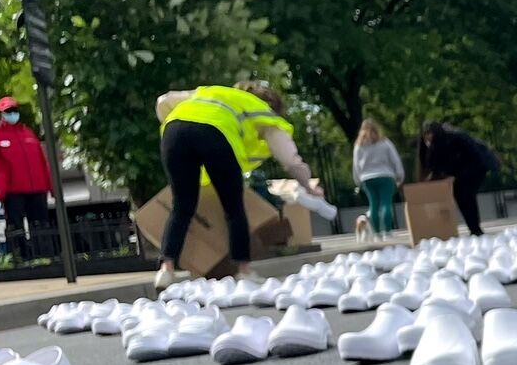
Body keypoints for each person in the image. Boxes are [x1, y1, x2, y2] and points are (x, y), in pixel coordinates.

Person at [152, 82, 322, 289]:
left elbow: (163, 100)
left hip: (173, 131)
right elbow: (290, 159)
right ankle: (244, 270)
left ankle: (166, 269)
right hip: (214, 136)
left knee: (182, 205)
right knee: (233, 206)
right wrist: (309, 186)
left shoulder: (213, 92)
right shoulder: (259, 110)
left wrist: (181, 124)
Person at [0, 96, 54, 261]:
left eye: (14, 110)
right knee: (16, 227)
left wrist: (50, 186)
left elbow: (42, 162)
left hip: (37, 188)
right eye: (8, 111)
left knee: (41, 225)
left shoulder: (27, 132)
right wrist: (2, 191)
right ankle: (21, 258)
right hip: (14, 191)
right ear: (1, 113)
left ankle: (45, 257)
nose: (12, 114)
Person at [418, 120, 499, 236]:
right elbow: (432, 165)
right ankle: (473, 228)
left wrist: (457, 175)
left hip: (476, 165)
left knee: (467, 195)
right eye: (426, 135)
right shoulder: (433, 145)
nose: (428, 138)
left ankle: (475, 228)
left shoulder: (455, 137)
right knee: (460, 195)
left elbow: (474, 155)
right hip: (461, 170)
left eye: (429, 134)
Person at [352, 119, 406, 237]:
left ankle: (377, 233)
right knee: (386, 203)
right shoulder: (385, 142)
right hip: (386, 176)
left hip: (367, 178)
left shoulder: (359, 145)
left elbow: (356, 165)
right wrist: (400, 175)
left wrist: (358, 181)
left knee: (374, 205)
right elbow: (395, 159)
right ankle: (387, 231)